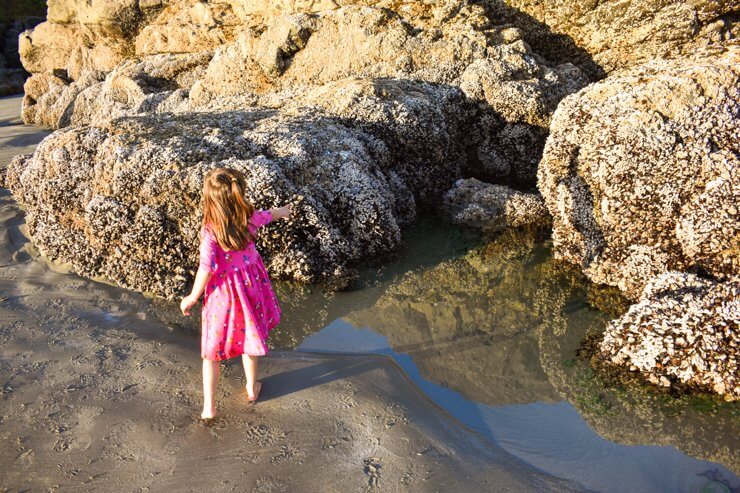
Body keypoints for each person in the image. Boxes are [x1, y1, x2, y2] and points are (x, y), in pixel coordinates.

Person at [180, 167, 291, 419]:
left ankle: (209, 408)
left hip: (222, 295)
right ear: (238, 193)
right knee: (249, 338)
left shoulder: (210, 230)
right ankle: (251, 388)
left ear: (210, 200)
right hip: (251, 287)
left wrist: (192, 297)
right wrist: (282, 212)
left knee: (211, 352)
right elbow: (267, 215)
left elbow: (206, 268)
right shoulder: (248, 217)